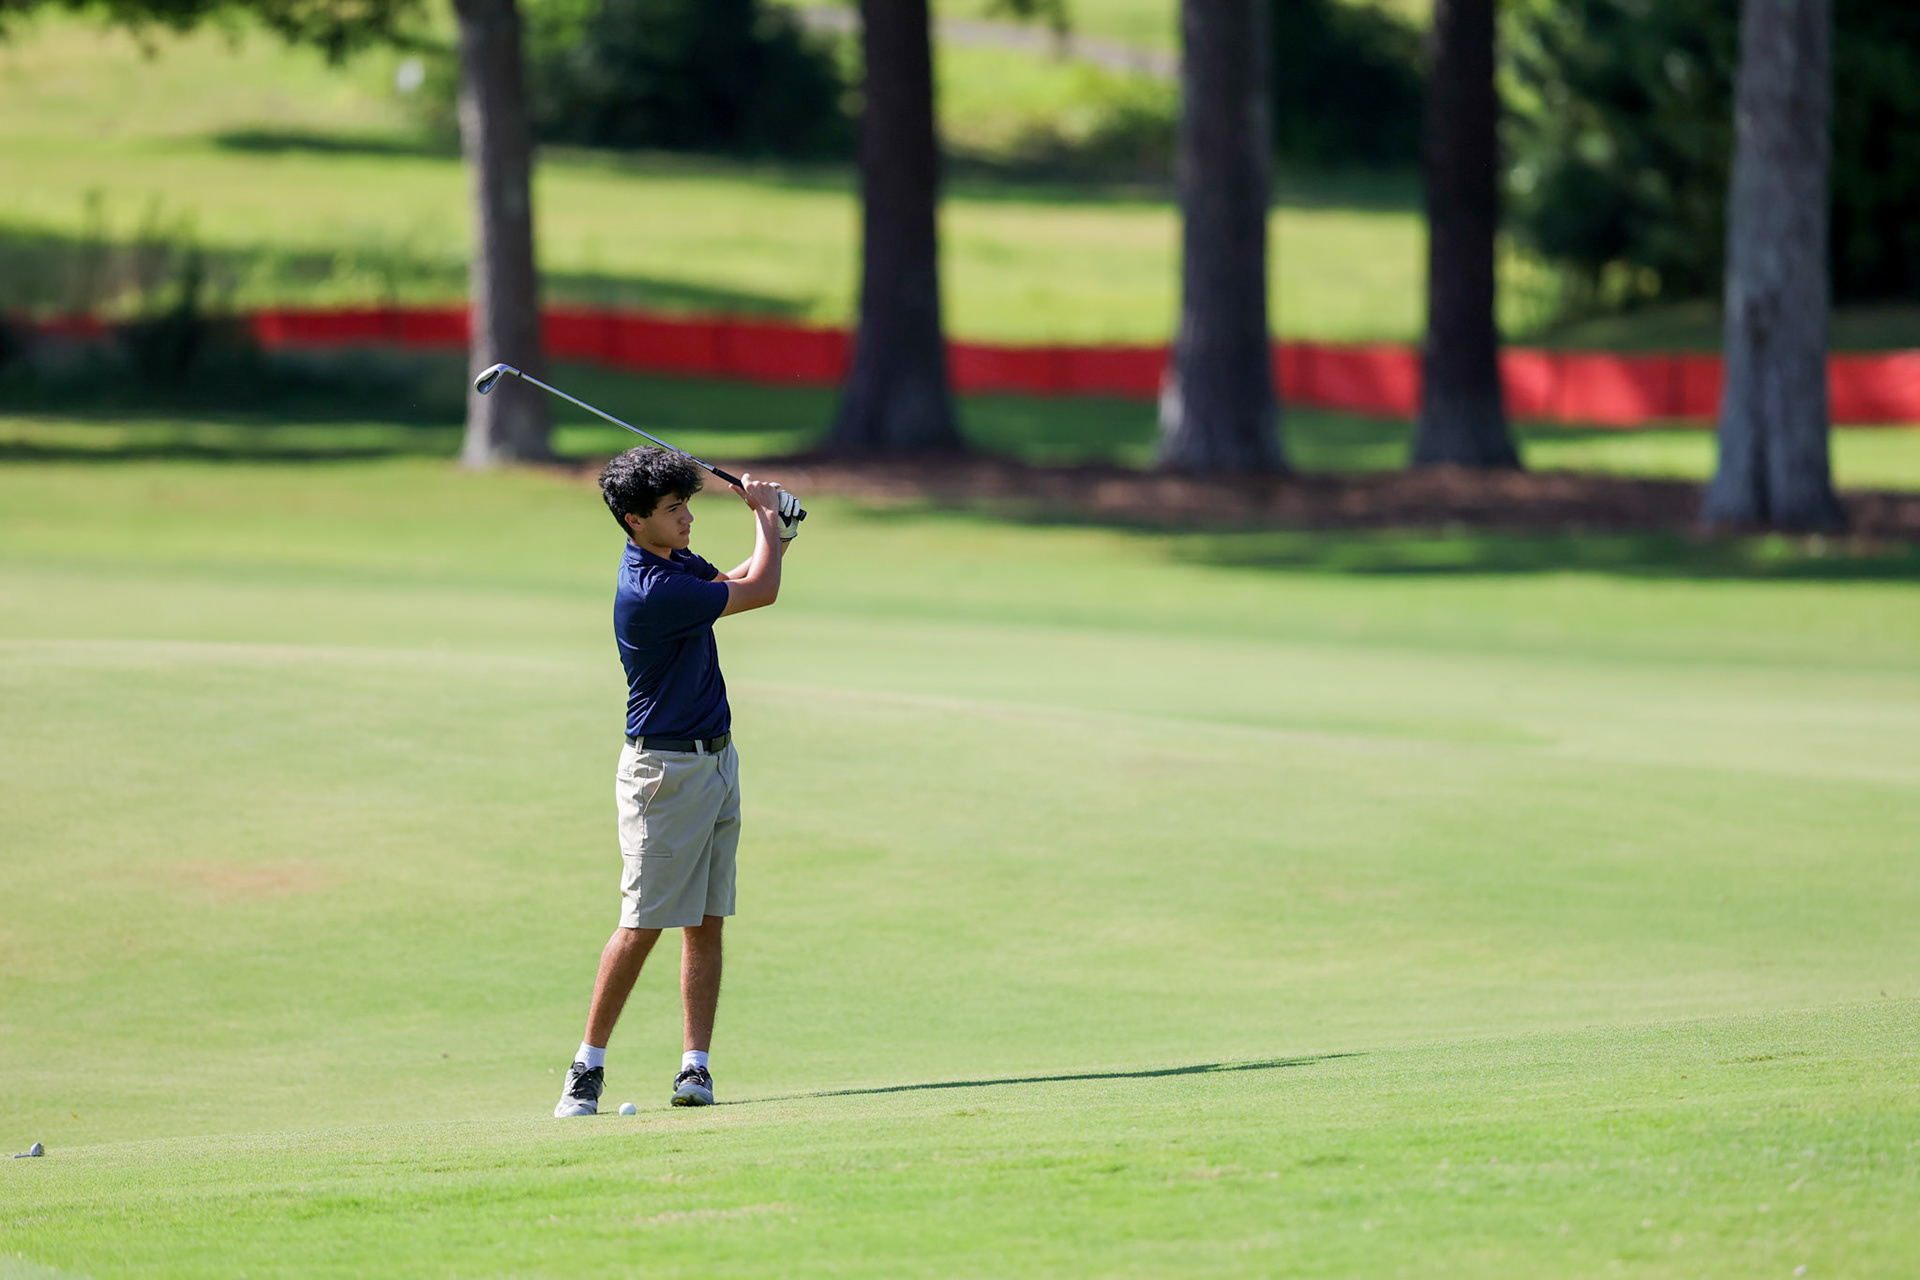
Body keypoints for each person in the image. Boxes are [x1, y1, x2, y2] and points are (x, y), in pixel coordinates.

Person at [555, 447, 801, 1116]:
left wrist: (773, 529)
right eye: (673, 510)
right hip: (664, 774)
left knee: (706, 920)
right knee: (643, 923)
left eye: (688, 504)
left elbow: (739, 577)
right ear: (634, 520)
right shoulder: (649, 591)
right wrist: (769, 519)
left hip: (716, 763)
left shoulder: (674, 565)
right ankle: (586, 1069)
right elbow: (763, 590)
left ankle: (695, 1069)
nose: (689, 517)